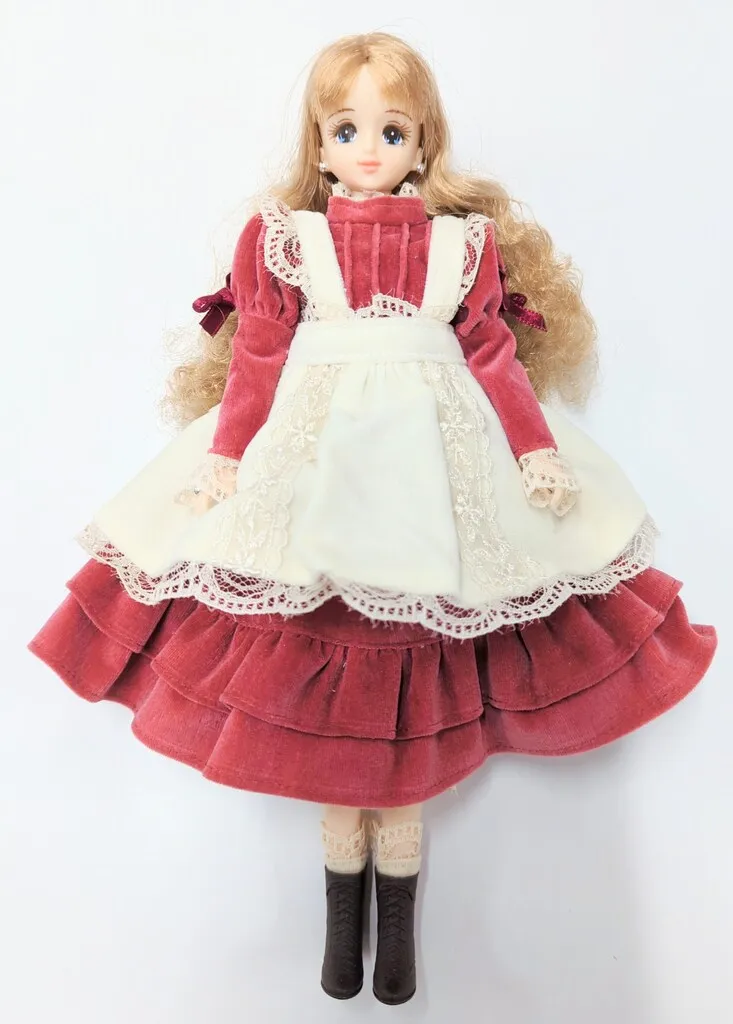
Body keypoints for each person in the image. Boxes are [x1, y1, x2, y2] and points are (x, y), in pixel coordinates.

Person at [28, 31, 717, 1006]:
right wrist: (227, 452)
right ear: (318, 142)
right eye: (345, 128)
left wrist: (533, 449)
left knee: (415, 675)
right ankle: (338, 927)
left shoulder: (460, 246)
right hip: (318, 468)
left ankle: (393, 938)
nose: (366, 148)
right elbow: (259, 354)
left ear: (421, 143)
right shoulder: (285, 239)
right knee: (323, 680)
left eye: (390, 131)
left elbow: (490, 355)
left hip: (433, 471)